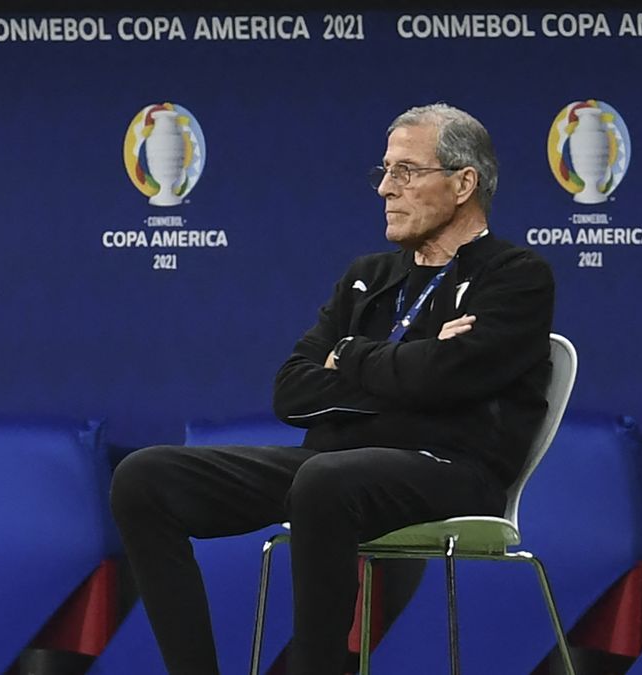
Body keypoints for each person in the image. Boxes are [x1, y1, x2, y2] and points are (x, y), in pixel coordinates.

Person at [110, 103, 555, 675]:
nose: (386, 189)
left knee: (325, 479)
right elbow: (293, 391)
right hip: (332, 465)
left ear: (464, 182)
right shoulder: (368, 276)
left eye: (406, 172)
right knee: (145, 478)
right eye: (385, 172)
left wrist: (347, 357)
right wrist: (413, 366)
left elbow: (453, 378)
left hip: (451, 469)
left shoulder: (515, 276)